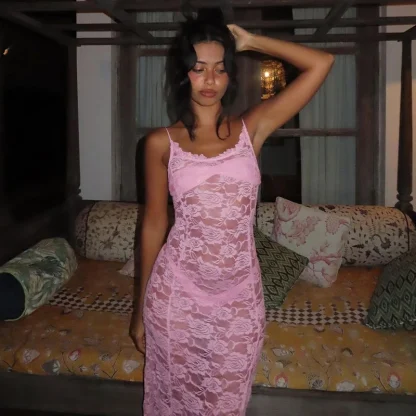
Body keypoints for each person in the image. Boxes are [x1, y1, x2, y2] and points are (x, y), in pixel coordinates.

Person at [130, 8, 334, 416]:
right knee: (175, 402)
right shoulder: (160, 144)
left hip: (239, 299)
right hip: (176, 296)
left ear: (230, 75)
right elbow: (153, 225)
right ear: (182, 74)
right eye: (199, 68)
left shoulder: (251, 129)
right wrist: (139, 309)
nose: (210, 80)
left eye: (220, 69)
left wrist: (252, 41)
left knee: (226, 404)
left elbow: (321, 63)